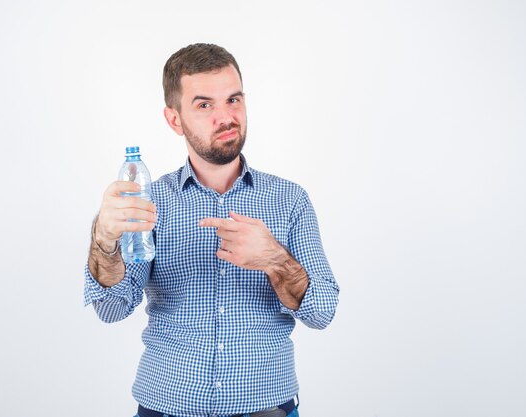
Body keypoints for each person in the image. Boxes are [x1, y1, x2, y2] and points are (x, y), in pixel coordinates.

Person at [84, 43, 339, 417]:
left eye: (233, 100)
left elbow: (323, 312)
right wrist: (103, 240)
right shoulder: (150, 202)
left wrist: (276, 260)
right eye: (205, 105)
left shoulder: (290, 200)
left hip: (266, 408)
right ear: (175, 120)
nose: (226, 117)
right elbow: (111, 307)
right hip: (165, 406)